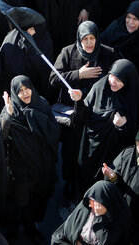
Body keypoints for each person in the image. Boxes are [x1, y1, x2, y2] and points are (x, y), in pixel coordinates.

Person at [50, 21, 118, 197]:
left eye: (92, 38)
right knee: (71, 151)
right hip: (75, 114)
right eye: (85, 39)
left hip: (98, 113)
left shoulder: (108, 53)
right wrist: (78, 74)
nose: (89, 43)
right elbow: (53, 78)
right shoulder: (68, 52)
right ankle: (70, 181)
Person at [0, 75, 60, 241]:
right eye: (20, 91)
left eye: (27, 88)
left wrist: (33, 116)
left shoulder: (41, 104)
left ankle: (31, 227)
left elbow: (53, 132)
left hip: (40, 164)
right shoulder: (10, 109)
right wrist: (8, 116)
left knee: (35, 198)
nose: (24, 94)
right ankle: (14, 231)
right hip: (20, 167)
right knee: (19, 201)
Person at [74, 59, 139, 192]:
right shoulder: (100, 87)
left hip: (115, 153)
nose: (113, 82)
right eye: (112, 76)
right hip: (92, 147)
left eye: (119, 80)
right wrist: (78, 101)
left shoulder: (136, 100)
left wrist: (124, 126)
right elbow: (83, 116)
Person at [0, 5, 55, 100]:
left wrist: (31, 47)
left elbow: (45, 68)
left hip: (41, 93)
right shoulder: (10, 40)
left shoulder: (43, 37)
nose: (34, 31)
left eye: (35, 29)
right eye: (31, 29)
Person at [51, 180, 131, 245]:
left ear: (106, 203)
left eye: (94, 201)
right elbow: (61, 234)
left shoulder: (117, 224)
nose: (90, 204)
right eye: (90, 199)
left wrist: (100, 217)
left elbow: (105, 241)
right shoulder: (85, 209)